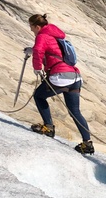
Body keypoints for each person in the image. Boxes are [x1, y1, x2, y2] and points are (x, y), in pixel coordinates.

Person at [27, 14, 94, 155]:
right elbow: (51, 51)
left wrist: (37, 66)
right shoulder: (55, 35)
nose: (32, 30)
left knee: (39, 96)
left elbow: (40, 50)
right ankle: (87, 143)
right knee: (75, 111)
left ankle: (48, 127)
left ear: (37, 26)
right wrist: (31, 50)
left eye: (32, 27)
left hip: (60, 76)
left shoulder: (42, 35)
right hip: (74, 77)